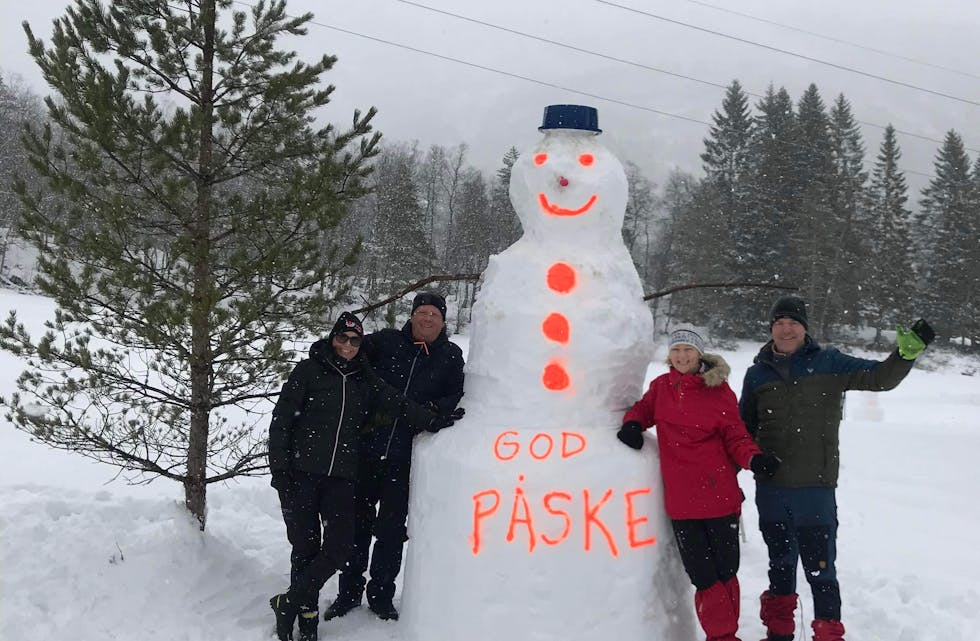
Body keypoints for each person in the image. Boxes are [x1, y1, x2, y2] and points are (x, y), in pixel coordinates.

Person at [739, 296, 934, 641]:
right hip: (772, 488)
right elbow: (742, 430)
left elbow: (879, 378)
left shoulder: (828, 362)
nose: (786, 328)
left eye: (793, 322)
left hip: (815, 488)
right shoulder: (756, 374)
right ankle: (779, 633)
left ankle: (828, 635)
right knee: (780, 566)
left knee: (820, 570)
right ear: (771, 328)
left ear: (805, 329)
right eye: (779, 322)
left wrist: (903, 355)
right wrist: (744, 463)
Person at [267, 311, 457, 641]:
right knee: (305, 548)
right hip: (302, 473)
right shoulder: (309, 371)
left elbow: (397, 403)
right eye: (342, 338)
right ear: (332, 339)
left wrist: (432, 419)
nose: (348, 345)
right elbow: (281, 422)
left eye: (355, 340)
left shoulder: (364, 379)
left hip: (342, 475)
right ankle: (305, 617)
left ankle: (289, 601)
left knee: (339, 546)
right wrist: (280, 470)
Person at [617, 327, 779, 641]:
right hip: (682, 503)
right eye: (676, 350)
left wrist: (754, 459)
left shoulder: (719, 392)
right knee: (703, 576)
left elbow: (736, 437)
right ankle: (722, 636)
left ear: (699, 354)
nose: (681, 356)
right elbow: (643, 409)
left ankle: (724, 635)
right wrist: (633, 424)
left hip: (719, 497)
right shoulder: (661, 387)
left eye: (688, 350)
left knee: (725, 572)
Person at [325, 292, 465, 622]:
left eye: (433, 313)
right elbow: (348, 352)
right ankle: (348, 593)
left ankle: (381, 595)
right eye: (421, 312)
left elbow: (454, 395)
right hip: (365, 450)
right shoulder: (386, 342)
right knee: (355, 525)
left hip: (404, 458)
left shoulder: (450, 356)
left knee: (391, 531)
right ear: (412, 315)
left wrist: (430, 412)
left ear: (443, 321)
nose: (426, 318)